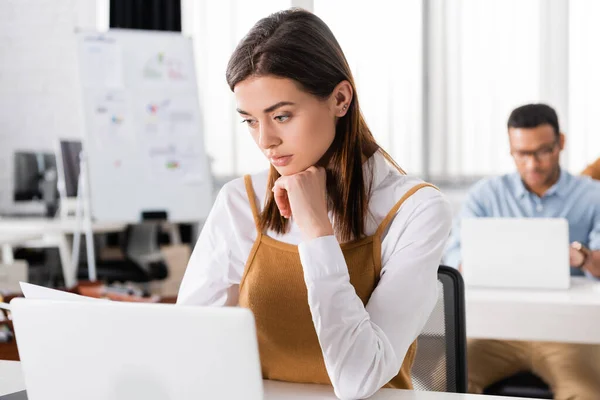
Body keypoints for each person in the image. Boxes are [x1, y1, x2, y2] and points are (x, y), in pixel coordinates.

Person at [177, 8, 452, 399]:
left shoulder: (415, 210)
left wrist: (316, 231)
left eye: (282, 116)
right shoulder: (241, 201)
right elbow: (189, 345)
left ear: (340, 99)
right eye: (250, 121)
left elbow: (358, 378)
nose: (265, 140)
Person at [444, 103, 600, 399]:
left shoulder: (593, 195)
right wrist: (480, 259)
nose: (533, 164)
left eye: (543, 151)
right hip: (494, 331)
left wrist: (583, 256)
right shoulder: (485, 196)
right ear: (511, 150)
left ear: (560, 144)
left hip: (569, 334)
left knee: (588, 392)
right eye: (522, 154)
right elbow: (454, 261)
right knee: (440, 381)